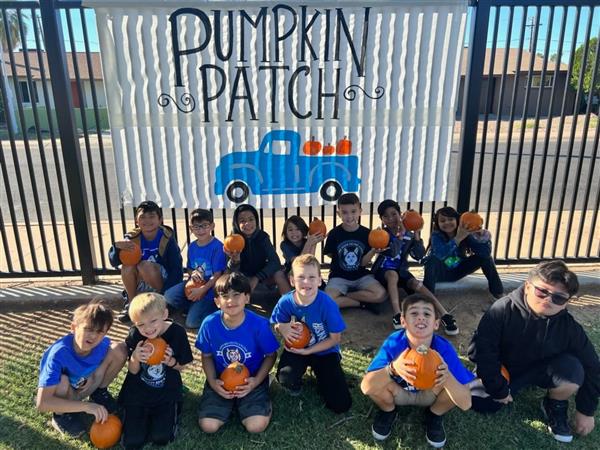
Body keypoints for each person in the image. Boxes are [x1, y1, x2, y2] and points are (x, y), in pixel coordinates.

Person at [468, 260, 600, 443]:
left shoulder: (568, 327)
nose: (548, 300)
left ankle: (555, 403)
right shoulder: (501, 310)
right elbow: (485, 353)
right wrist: (498, 389)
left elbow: (592, 365)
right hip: (505, 367)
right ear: (528, 287)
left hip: (544, 368)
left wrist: (586, 411)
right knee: (481, 402)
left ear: (566, 302)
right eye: (542, 291)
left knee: (574, 370)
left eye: (559, 298)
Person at [361, 294, 473, 448]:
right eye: (414, 313)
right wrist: (392, 369)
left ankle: (435, 414)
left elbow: (466, 403)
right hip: (398, 393)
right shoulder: (394, 343)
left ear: (436, 323)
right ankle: (388, 411)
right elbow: (366, 387)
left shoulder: (444, 349)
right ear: (403, 321)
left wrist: (447, 378)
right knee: (376, 380)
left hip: (430, 395)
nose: (421, 317)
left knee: (455, 383)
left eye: (427, 313)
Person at [195, 272, 280, 433]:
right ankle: (224, 403)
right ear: (217, 302)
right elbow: (206, 356)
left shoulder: (259, 324)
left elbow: (271, 355)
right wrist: (213, 382)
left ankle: (264, 388)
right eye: (225, 296)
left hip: (251, 378)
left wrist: (256, 381)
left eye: (236, 295)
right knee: (209, 426)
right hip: (221, 380)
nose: (231, 301)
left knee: (255, 427)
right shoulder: (209, 324)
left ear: (247, 298)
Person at [271, 254, 352, 413]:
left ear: (319, 280)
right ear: (292, 280)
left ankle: (323, 376)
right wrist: (282, 327)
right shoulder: (286, 301)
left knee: (341, 405)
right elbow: (276, 323)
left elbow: (335, 339)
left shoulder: (327, 304)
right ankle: (298, 380)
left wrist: (308, 350)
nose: (306, 282)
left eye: (311, 277)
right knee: (286, 378)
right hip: (297, 348)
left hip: (325, 350)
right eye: (301, 277)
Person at [36, 300, 127, 438]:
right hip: (67, 393)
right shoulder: (58, 354)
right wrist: (87, 407)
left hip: (88, 384)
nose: (93, 336)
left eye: (99, 332)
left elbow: (118, 350)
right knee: (62, 381)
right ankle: (61, 415)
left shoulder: (101, 344)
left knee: (119, 350)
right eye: (88, 329)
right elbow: (42, 403)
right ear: (73, 327)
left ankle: (99, 394)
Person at [368, 200, 458, 334]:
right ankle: (397, 314)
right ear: (381, 219)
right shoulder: (381, 235)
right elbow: (392, 253)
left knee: (417, 284)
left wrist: (416, 236)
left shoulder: (409, 235)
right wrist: (401, 235)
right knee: (392, 275)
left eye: (394, 214)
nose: (391, 218)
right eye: (386, 216)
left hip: (401, 272)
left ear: (401, 215)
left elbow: (419, 255)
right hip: (383, 272)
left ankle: (444, 314)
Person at [118, 292, 193, 449]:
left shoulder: (177, 333)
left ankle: (165, 417)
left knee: (161, 437)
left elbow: (183, 365)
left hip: (166, 393)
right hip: (137, 393)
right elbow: (132, 371)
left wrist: (171, 361)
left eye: (153, 321)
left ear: (164, 314)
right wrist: (135, 358)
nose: (148, 328)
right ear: (134, 323)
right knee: (133, 441)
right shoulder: (135, 334)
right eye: (141, 324)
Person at [108, 200, 183, 323]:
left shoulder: (167, 238)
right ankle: (132, 305)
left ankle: (160, 304)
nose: (147, 221)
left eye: (152, 216)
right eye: (143, 217)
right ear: (137, 221)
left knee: (144, 265)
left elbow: (176, 268)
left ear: (160, 220)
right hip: (140, 280)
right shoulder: (132, 237)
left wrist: (169, 294)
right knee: (127, 266)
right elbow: (114, 262)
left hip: (161, 281)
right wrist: (116, 247)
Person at [164, 208, 226, 329]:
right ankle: (193, 304)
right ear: (191, 228)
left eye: (204, 225)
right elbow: (190, 268)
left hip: (210, 288)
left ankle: (215, 308)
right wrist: (193, 274)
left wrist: (203, 289)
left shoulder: (217, 246)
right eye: (196, 227)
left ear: (212, 226)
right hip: (194, 284)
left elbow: (218, 274)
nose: (201, 230)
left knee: (191, 323)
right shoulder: (192, 246)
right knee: (169, 295)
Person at [423, 206, 503, 299]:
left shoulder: (466, 234)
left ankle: (498, 293)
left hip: (457, 271)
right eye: (442, 221)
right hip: (439, 274)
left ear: (457, 220)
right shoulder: (436, 236)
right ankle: (427, 297)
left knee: (487, 259)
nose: (447, 223)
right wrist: (457, 239)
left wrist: (480, 238)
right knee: (431, 260)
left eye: (450, 219)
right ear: (438, 223)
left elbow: (485, 254)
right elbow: (440, 255)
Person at [324, 193, 386, 310]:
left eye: (353, 211)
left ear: (360, 211)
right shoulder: (334, 233)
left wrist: (373, 250)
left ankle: (346, 296)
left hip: (360, 275)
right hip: (339, 276)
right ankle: (361, 303)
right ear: (339, 213)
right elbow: (330, 253)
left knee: (381, 294)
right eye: (345, 212)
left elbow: (363, 263)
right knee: (327, 302)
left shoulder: (367, 233)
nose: (349, 216)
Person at [225, 204, 291, 295]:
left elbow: (275, 261)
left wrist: (257, 278)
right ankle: (238, 304)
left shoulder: (263, 237)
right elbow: (230, 271)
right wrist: (235, 261)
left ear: (256, 220)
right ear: (236, 223)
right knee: (228, 277)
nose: (247, 223)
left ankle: (289, 304)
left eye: (251, 219)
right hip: (242, 278)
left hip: (262, 276)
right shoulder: (232, 240)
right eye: (242, 221)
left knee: (279, 273)